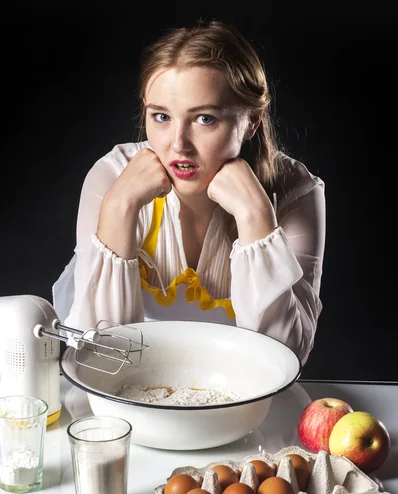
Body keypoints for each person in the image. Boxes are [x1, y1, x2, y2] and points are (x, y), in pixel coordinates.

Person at [53, 20, 326, 366]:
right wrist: (119, 207)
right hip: (131, 394)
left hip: (240, 397)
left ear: (252, 121)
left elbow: (287, 359)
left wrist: (255, 217)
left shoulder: (295, 191)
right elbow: (94, 356)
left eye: (205, 119)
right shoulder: (112, 176)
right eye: (162, 116)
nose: (178, 145)